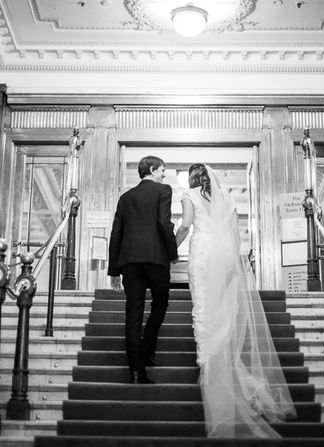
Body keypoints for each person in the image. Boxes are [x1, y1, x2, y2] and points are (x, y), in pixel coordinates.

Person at [175, 163, 296, 439]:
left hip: (203, 255)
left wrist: (171, 245)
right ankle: (218, 364)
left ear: (193, 179)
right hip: (227, 259)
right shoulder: (228, 200)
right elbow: (234, 235)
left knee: (203, 307)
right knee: (220, 310)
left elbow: (185, 225)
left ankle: (209, 366)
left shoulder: (188, 195)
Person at [107, 155, 178, 384]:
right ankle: (147, 349)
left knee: (133, 312)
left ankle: (135, 370)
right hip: (156, 258)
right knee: (161, 303)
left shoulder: (125, 198)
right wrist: (173, 253)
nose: (164, 174)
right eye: (162, 170)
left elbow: (116, 233)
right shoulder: (163, 190)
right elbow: (163, 223)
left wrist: (113, 270)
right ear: (152, 169)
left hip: (130, 261)